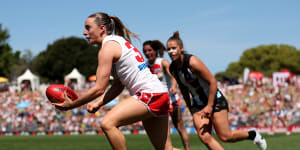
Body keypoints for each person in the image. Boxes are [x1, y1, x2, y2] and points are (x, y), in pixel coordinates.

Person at [53, 12, 174, 150]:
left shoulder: (107, 48)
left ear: (102, 29)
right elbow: (117, 85)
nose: (84, 32)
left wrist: (72, 105)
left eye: (88, 28)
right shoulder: (118, 42)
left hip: (150, 94)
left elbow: (99, 88)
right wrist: (99, 103)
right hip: (159, 93)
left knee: (108, 123)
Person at [165, 31, 267, 150]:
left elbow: (213, 81)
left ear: (181, 48)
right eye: (168, 49)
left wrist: (209, 106)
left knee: (225, 136)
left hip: (214, 100)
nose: (171, 52)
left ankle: (253, 134)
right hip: (198, 105)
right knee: (204, 137)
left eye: (173, 48)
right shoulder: (173, 68)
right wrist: (190, 107)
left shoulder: (192, 62)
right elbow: (183, 88)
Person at [143, 40, 191, 150]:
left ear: (155, 51)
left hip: (171, 100)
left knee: (180, 127)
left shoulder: (163, 62)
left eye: (150, 50)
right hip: (158, 102)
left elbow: (174, 76)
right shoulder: (145, 66)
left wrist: (174, 86)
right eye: (145, 51)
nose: (147, 53)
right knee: (161, 133)